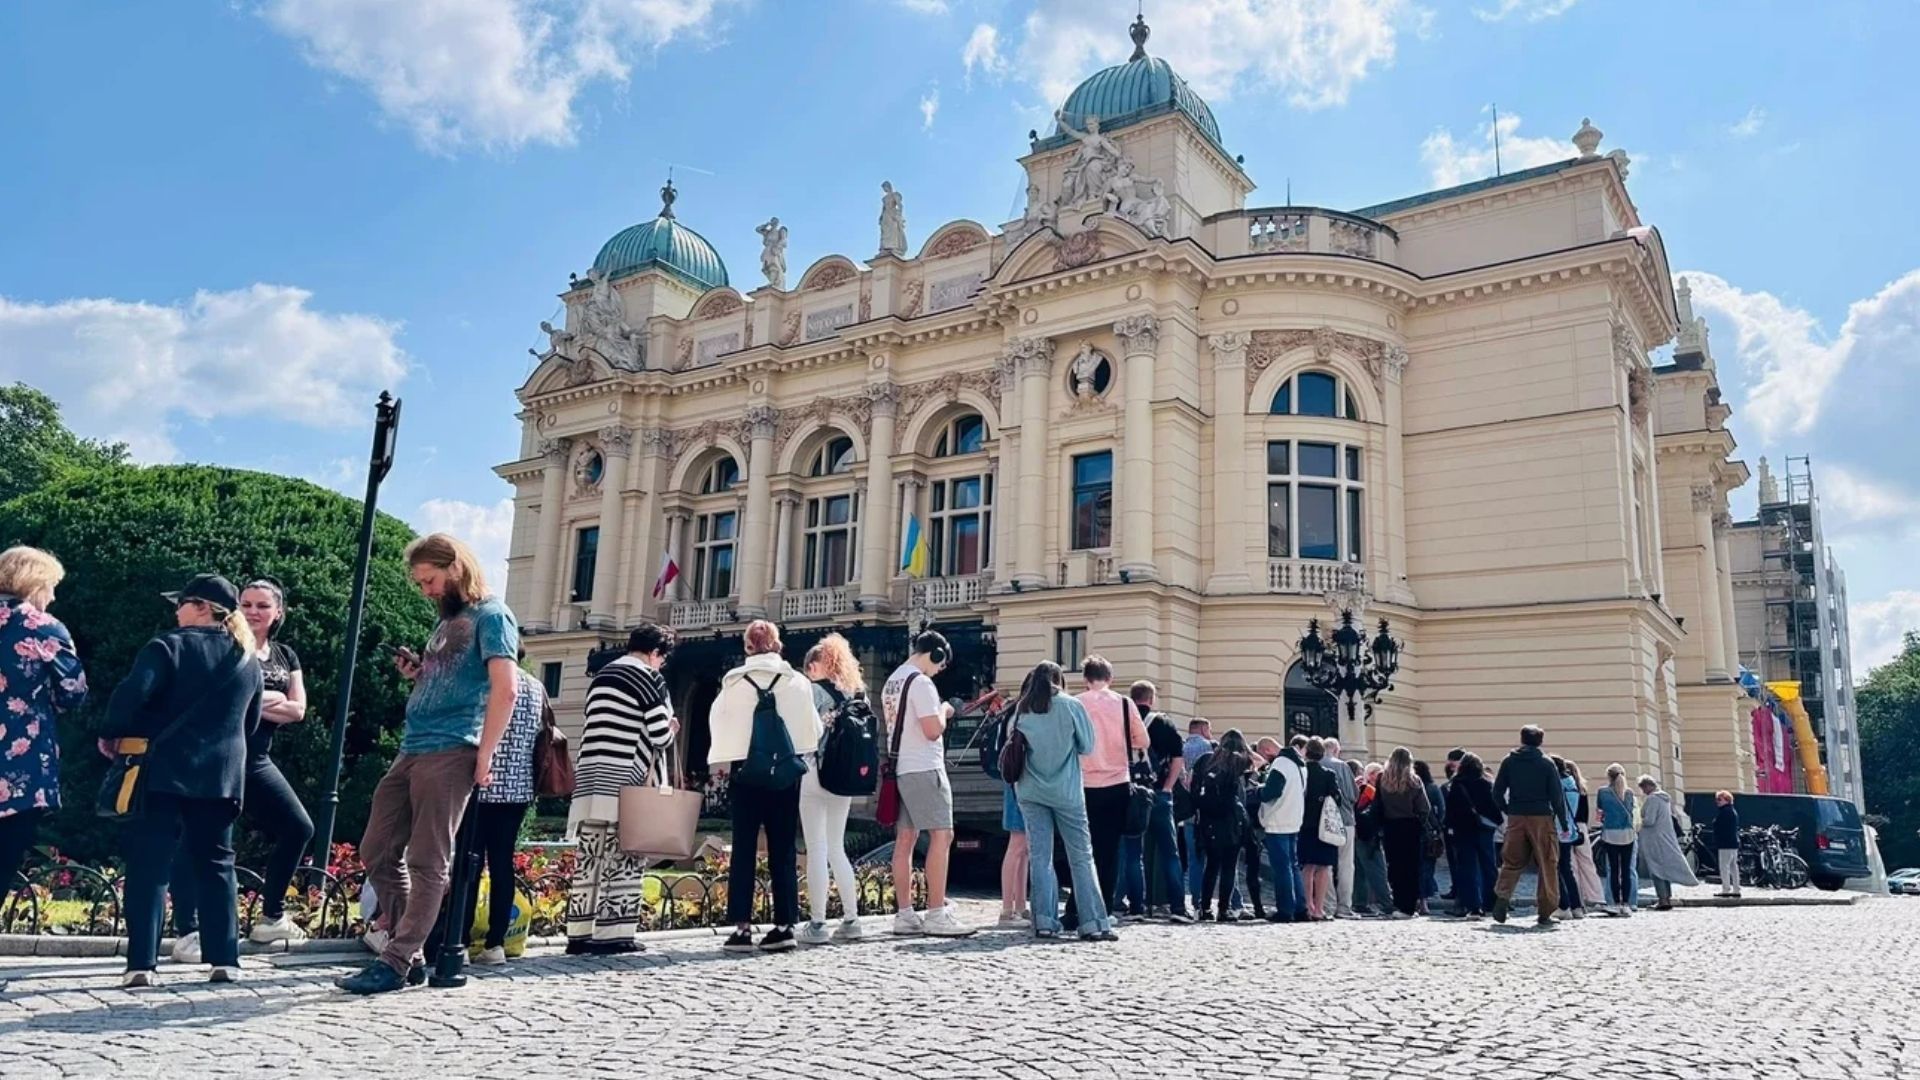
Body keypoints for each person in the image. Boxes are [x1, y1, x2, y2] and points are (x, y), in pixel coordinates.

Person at [338, 534, 520, 995]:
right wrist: (421, 673)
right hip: (414, 747)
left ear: (456, 568)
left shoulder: (493, 615)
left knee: (427, 857)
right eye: (421, 583)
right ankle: (408, 951)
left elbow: (506, 689)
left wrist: (485, 754)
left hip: (452, 748)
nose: (426, 591)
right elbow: (455, 677)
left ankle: (396, 960)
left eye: (430, 580)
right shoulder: (450, 621)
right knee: (376, 848)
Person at [104, 574, 263, 988]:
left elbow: (133, 692)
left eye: (182, 603)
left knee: (150, 863)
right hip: (222, 774)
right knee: (217, 863)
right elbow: (253, 721)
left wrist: (111, 732)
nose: (175, 611)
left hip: (164, 771)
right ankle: (225, 960)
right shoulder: (246, 658)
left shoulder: (166, 647)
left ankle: (141, 964)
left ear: (202, 607)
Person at [170, 579, 314, 962]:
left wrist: (264, 699)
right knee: (200, 839)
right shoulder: (226, 644)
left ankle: (271, 917)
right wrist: (269, 698)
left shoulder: (285, 655)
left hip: (257, 758)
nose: (253, 611)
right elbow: (222, 698)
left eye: (262, 605)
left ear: (277, 612)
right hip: (217, 755)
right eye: (246, 604)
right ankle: (187, 930)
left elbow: (298, 710)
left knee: (299, 826)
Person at [0, 546, 88, 977]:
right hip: (18, 765)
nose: (52, 596)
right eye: (50, 586)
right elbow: (73, 689)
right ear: (34, 583)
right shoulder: (42, 627)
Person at [709, 620, 820, 952]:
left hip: (746, 770)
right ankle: (784, 925)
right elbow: (812, 730)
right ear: (777, 645)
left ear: (748, 646)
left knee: (743, 848)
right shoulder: (798, 683)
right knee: (783, 847)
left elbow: (717, 723)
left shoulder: (732, 682)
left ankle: (742, 929)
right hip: (785, 769)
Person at [565, 622, 677, 954]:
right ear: (656, 653)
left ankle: (580, 931)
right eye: (662, 658)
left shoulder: (602, 675)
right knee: (626, 854)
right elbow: (659, 735)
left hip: (590, 775)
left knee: (590, 857)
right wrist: (672, 726)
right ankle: (614, 933)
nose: (661, 665)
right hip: (625, 775)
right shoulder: (648, 677)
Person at [1011, 662, 1115, 941]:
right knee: (1081, 855)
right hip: (1066, 791)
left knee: (1040, 857)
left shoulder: (1021, 710)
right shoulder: (1071, 706)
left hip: (1030, 791)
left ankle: (1043, 922)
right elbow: (1087, 746)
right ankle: (1093, 923)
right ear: (1059, 680)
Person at [881, 631, 972, 937]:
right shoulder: (921, 683)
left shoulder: (892, 681)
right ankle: (936, 913)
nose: (939, 670)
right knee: (942, 836)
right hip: (924, 766)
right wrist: (945, 711)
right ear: (933, 654)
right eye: (940, 664)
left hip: (901, 767)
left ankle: (905, 913)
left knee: (905, 839)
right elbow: (932, 730)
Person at [798, 633, 867, 945]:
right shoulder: (856, 693)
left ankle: (817, 922)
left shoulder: (811, 692)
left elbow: (801, 733)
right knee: (837, 847)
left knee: (817, 848)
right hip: (845, 775)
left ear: (815, 666)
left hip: (814, 771)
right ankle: (852, 919)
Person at [1074, 656, 1148, 917]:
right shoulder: (1125, 704)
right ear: (1110, 678)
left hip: (1084, 783)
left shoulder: (1077, 703)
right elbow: (1143, 741)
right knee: (1110, 850)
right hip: (1117, 781)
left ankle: (1077, 907)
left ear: (1085, 679)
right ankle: (1103, 907)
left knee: (1083, 847)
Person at [1489, 725, 1571, 927]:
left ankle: (1502, 896)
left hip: (1516, 815)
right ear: (1540, 741)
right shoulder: (1546, 763)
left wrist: (1507, 809)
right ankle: (1545, 910)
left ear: (1522, 739)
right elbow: (1556, 795)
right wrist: (1563, 821)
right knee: (1547, 863)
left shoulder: (1509, 761)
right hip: (1541, 816)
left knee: (1512, 861)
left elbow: (1497, 791)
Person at [1131, 681, 1192, 922]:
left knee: (1132, 853)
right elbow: (1178, 759)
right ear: (1151, 698)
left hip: (1131, 792)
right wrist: (1167, 787)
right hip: (1158, 793)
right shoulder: (1163, 723)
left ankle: (1136, 906)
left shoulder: (1124, 720)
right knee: (1170, 852)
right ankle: (1176, 906)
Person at [1192, 730, 1254, 921]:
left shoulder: (1206, 760)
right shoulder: (1238, 762)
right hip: (1230, 820)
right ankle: (1223, 909)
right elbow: (1256, 761)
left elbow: (1193, 789)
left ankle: (1204, 908)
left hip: (1208, 820)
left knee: (1211, 866)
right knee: (1229, 867)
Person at [1375, 748, 1432, 919]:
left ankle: (1398, 903)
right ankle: (1408, 907)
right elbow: (1425, 807)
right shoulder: (1414, 780)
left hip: (1390, 826)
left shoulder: (1381, 779)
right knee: (1411, 868)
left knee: (1394, 866)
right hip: (1411, 826)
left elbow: (1378, 804)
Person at [1256, 734, 1307, 923]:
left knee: (1282, 867)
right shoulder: (1300, 765)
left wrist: (1258, 790)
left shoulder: (1280, 764)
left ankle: (1285, 909)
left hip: (1278, 819)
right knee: (1292, 866)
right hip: (1294, 818)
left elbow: (1272, 792)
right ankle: (1300, 907)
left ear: (1268, 750)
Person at [1444, 752, 1500, 917]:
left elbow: (1451, 809)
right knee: (1489, 866)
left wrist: (1450, 827)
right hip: (1484, 829)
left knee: (1467, 868)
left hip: (1463, 830)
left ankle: (1473, 906)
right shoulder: (1485, 783)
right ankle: (1491, 903)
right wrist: (1496, 820)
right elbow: (1492, 806)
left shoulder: (1456, 784)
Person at [1296, 737, 1345, 920]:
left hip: (1304, 825)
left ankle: (1307, 905)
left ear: (1306, 753)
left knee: (1307, 867)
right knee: (1323, 868)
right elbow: (1337, 799)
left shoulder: (1301, 772)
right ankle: (1319, 908)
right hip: (1325, 826)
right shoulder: (1328, 774)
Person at [1636, 775, 1697, 910]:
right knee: (1663, 868)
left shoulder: (1652, 799)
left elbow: (1650, 820)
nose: (1643, 791)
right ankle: (1666, 898)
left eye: (1643, 788)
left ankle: (1662, 899)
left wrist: (1638, 820)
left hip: (1654, 839)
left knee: (1656, 869)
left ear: (1647, 786)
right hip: (1664, 837)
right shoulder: (1664, 799)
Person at [1324, 738, 1360, 917]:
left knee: (1326, 865)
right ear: (1336, 750)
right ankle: (1344, 906)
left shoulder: (1313, 765)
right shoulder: (1343, 767)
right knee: (1346, 864)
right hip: (1345, 820)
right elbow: (1353, 795)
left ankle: (1328, 905)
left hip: (1323, 822)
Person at [1594, 764, 1637, 916]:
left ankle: (1616, 903)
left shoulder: (1602, 792)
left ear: (1609, 776)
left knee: (1613, 869)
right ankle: (1626, 904)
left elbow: (1599, 811)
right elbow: (1632, 811)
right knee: (1626, 870)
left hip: (1610, 833)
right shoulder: (1630, 793)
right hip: (1628, 834)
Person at [1179, 718, 1213, 902]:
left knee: (1193, 859)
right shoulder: (1207, 747)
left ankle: (1196, 898)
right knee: (1211, 858)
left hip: (1187, 810)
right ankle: (1208, 899)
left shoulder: (1182, 747)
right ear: (1202, 729)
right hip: (1205, 810)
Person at [1550, 755, 1587, 921]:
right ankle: (1576, 906)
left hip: (1556, 828)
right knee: (1567, 869)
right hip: (1569, 830)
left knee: (1556, 868)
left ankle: (1563, 906)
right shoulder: (1572, 783)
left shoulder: (1556, 783)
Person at [1565, 760, 1605, 914]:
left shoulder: (1565, 788)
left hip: (1568, 826)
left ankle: (1578, 898)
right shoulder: (1582, 789)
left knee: (1571, 865)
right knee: (1587, 863)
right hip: (1581, 827)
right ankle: (1596, 897)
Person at [1414, 759, 1445, 915]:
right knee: (1427, 867)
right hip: (1429, 832)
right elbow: (1442, 809)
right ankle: (1424, 901)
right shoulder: (1433, 788)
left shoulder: (1410, 786)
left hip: (1413, 831)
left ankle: (1417, 900)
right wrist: (1438, 827)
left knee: (1414, 866)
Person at [1713, 790, 1742, 898]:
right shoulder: (1732, 811)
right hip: (1733, 842)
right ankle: (1736, 889)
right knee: (1734, 867)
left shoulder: (1724, 812)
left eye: (1720, 799)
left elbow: (1720, 828)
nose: (1717, 802)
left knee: (1724, 867)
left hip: (1725, 843)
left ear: (1727, 800)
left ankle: (1726, 889)